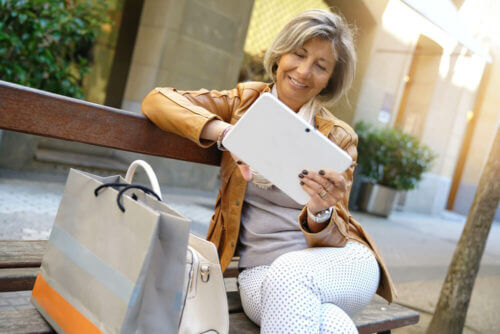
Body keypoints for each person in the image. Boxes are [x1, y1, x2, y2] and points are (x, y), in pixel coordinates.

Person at [142, 9, 397, 333]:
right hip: (261, 272)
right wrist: (228, 134)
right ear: (280, 54)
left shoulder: (338, 137)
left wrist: (320, 211)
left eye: (321, 66)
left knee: (292, 274)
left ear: (330, 80)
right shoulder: (241, 104)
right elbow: (156, 101)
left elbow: (336, 236)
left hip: (340, 265)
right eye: (299, 54)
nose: (304, 72)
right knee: (330, 323)